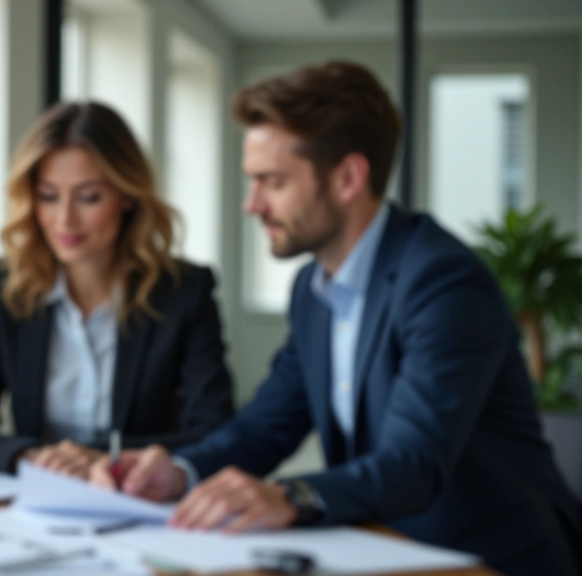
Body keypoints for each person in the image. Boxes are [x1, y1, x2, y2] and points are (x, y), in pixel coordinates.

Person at [90, 61, 582, 575]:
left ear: (348, 177)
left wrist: (289, 496)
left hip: (491, 561)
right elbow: (266, 425)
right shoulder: (313, 288)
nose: (252, 205)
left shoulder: (443, 283)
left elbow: (412, 464)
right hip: (388, 548)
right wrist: (181, 472)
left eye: (271, 182)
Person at [0, 102, 234, 477]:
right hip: (37, 500)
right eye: (48, 196)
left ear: (127, 195)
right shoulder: (4, 287)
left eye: (88, 197)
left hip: (142, 502)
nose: (65, 219)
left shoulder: (184, 292)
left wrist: (98, 458)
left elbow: (215, 431)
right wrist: (30, 457)